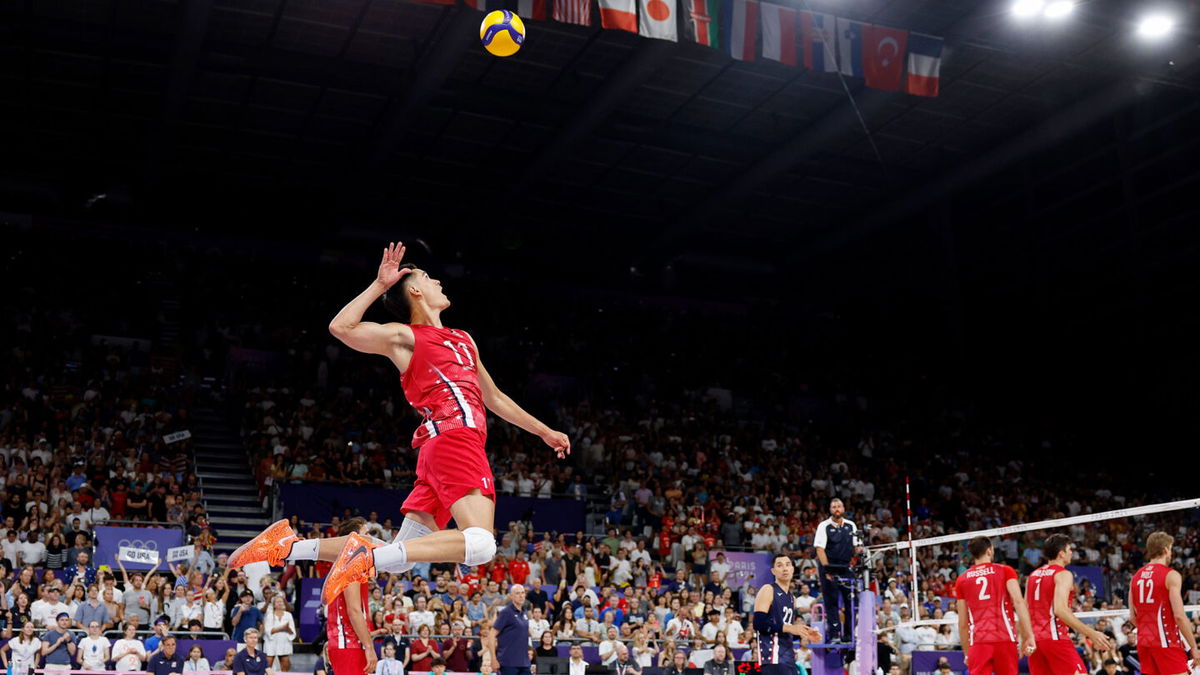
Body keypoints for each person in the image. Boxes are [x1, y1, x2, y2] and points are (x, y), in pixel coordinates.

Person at [229, 242, 571, 608]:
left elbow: (495, 398)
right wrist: (379, 285)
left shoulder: (464, 341)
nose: (439, 280)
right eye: (429, 276)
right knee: (482, 544)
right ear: (415, 290)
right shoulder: (405, 337)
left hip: (443, 448)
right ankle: (365, 560)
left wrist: (544, 431)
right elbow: (341, 327)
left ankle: (289, 546)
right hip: (455, 440)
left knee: (400, 558)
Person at [1025, 535, 1113, 675]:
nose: (1071, 552)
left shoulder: (1033, 575)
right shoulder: (1063, 574)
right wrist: (1091, 633)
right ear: (1061, 553)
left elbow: (1025, 611)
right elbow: (1060, 610)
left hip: (1034, 641)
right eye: (1069, 549)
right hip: (1055, 638)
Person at [954, 536, 1036, 675]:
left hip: (978, 641)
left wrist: (968, 653)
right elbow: (1018, 602)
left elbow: (962, 622)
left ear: (972, 554)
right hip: (1004, 638)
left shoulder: (961, 580)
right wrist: (1029, 635)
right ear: (990, 551)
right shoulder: (1005, 570)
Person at [1128, 532, 1199, 675]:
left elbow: (1132, 617)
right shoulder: (1171, 575)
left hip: (1144, 643)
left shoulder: (1135, 577)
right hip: (1166, 643)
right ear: (1166, 549)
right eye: (1171, 549)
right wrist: (1193, 647)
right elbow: (1179, 616)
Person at [754, 554, 821, 675]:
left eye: (788, 565)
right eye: (779, 565)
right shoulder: (768, 589)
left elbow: (786, 629)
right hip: (772, 657)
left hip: (788, 656)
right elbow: (758, 624)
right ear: (773, 571)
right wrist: (789, 628)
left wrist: (806, 633)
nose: (784, 568)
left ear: (793, 569)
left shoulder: (792, 599)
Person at [813, 499, 857, 643]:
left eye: (839, 506)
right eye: (834, 507)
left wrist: (860, 552)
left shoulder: (851, 525)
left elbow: (856, 547)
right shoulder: (823, 526)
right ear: (830, 509)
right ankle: (835, 635)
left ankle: (849, 635)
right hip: (829, 566)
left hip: (846, 567)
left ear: (843, 508)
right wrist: (827, 570)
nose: (836, 509)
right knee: (831, 602)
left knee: (850, 602)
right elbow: (820, 549)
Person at [495, 584, 533, 675]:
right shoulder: (506, 612)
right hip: (508, 662)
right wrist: (493, 659)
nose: (521, 596)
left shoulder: (524, 613)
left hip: (524, 662)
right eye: (517, 593)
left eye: (523, 593)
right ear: (511, 596)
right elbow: (492, 636)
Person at [263, 595, 296, 671]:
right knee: (268, 665)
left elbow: (292, 631)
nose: (280, 603)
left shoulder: (288, 615)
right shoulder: (270, 615)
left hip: (284, 642)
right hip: (271, 643)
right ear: (274, 604)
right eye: (278, 602)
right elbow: (269, 631)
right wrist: (282, 628)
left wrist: (286, 629)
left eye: (281, 601)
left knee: (285, 664)